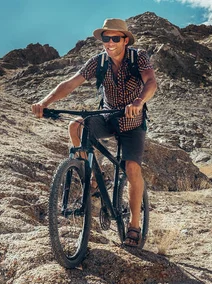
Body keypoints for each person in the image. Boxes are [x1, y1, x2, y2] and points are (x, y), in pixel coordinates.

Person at [31, 18, 157, 247]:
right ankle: (89, 176)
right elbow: (70, 83)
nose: (109, 43)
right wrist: (45, 102)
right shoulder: (97, 62)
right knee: (76, 126)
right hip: (108, 116)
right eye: (105, 38)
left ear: (125, 40)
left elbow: (151, 82)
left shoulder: (137, 57)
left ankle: (134, 225)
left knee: (131, 168)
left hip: (132, 121)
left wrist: (138, 102)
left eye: (114, 38)